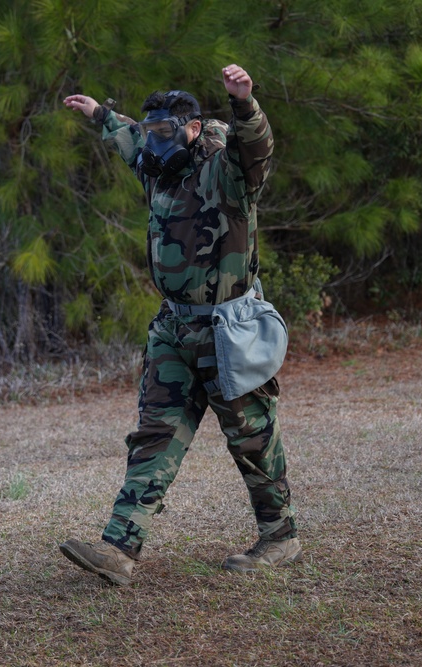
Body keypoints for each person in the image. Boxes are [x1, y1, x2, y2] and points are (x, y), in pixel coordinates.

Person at [59, 64, 300, 585]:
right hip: (173, 329)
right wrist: (100, 113)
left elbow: (256, 149)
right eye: (152, 133)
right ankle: (120, 549)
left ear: (191, 130)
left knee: (251, 438)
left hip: (227, 327)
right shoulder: (155, 166)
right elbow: (128, 137)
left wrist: (245, 104)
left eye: (165, 132)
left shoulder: (226, 173)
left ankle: (280, 537)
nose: (154, 142)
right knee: (154, 435)